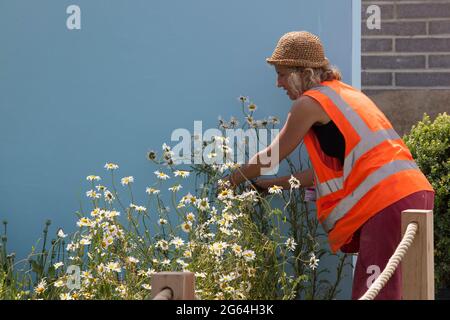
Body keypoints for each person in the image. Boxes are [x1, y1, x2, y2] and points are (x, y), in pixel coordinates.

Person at [223, 31, 434, 300]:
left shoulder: (309, 104)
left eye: (282, 73)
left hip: (386, 201)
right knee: (409, 290)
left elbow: (270, 157)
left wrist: (233, 179)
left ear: (304, 71)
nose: (278, 83)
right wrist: (270, 185)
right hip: (413, 193)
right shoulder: (344, 95)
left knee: (375, 292)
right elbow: (320, 174)